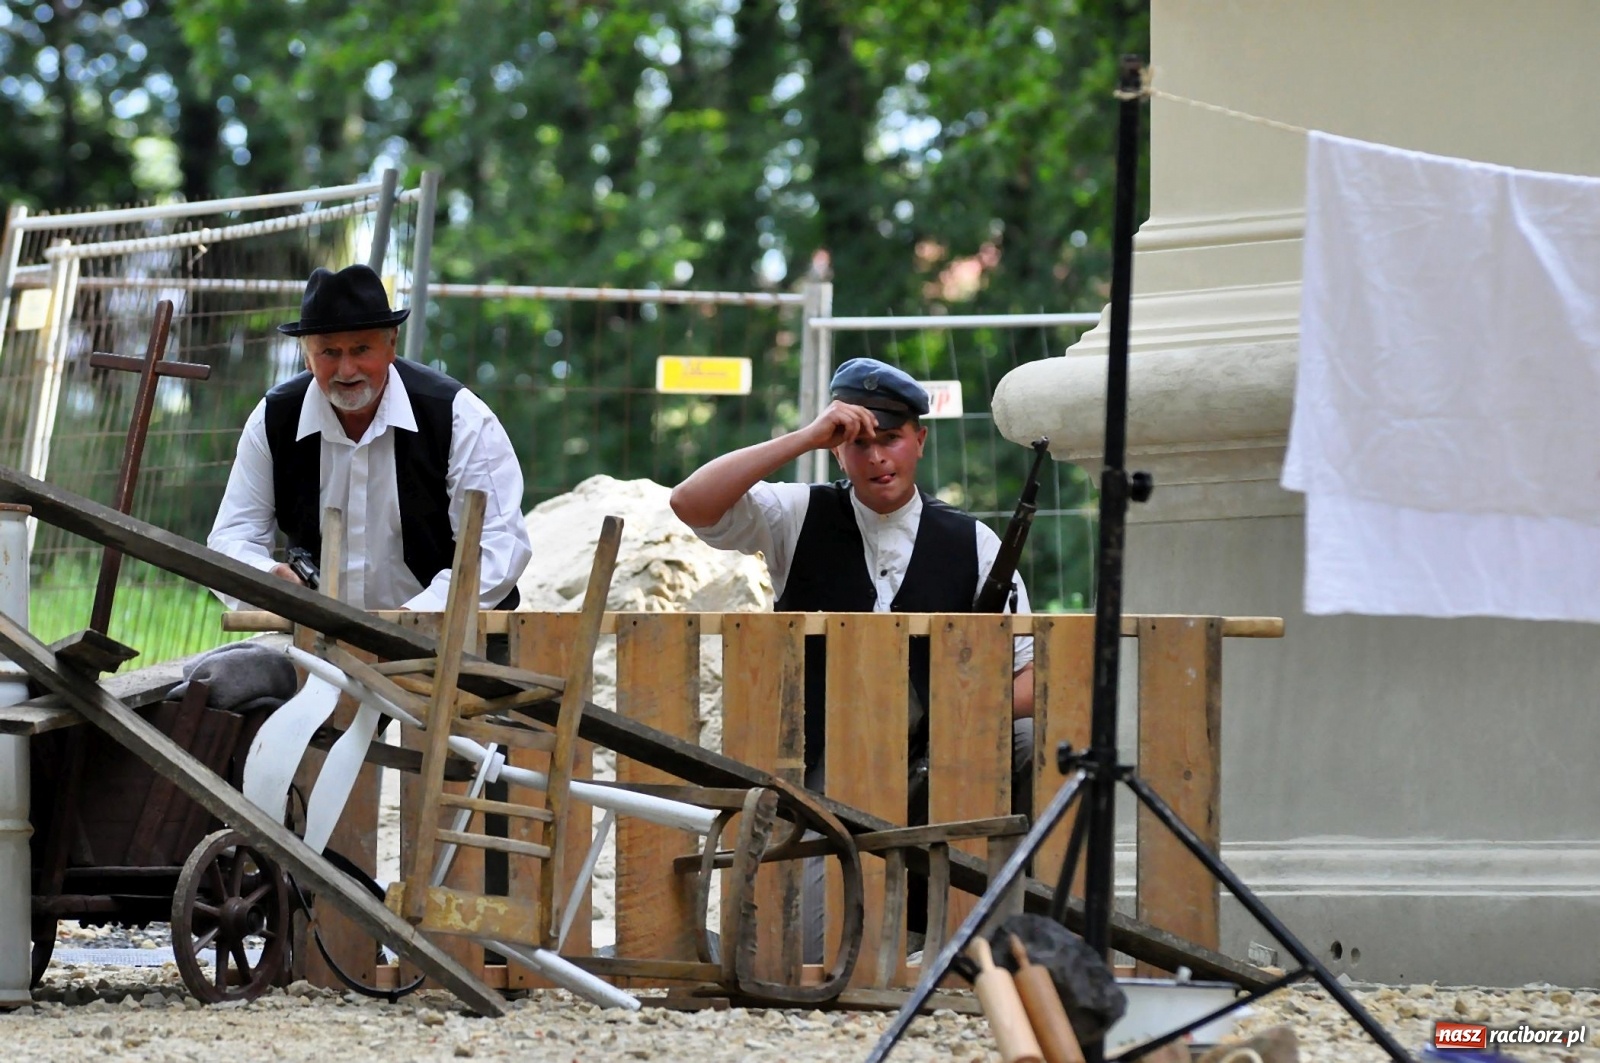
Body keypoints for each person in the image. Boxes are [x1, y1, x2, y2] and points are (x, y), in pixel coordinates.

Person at [670, 356, 1036, 955]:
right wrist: (807, 436)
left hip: (943, 764)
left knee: (1028, 743)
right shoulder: (796, 514)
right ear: (837, 451)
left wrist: (950, 715)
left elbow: (1029, 679)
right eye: (856, 443)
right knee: (822, 953)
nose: (876, 458)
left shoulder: (973, 542)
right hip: (825, 769)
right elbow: (692, 504)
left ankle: (980, 928)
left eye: (890, 439)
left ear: (919, 439)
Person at [208, 263, 532, 615]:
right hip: (315, 640)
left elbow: (499, 548)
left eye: (361, 349)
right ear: (307, 357)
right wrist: (271, 577)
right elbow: (231, 538)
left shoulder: (459, 418)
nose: (347, 370)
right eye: (329, 352)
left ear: (391, 345)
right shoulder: (275, 418)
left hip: (445, 642)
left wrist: (410, 622)